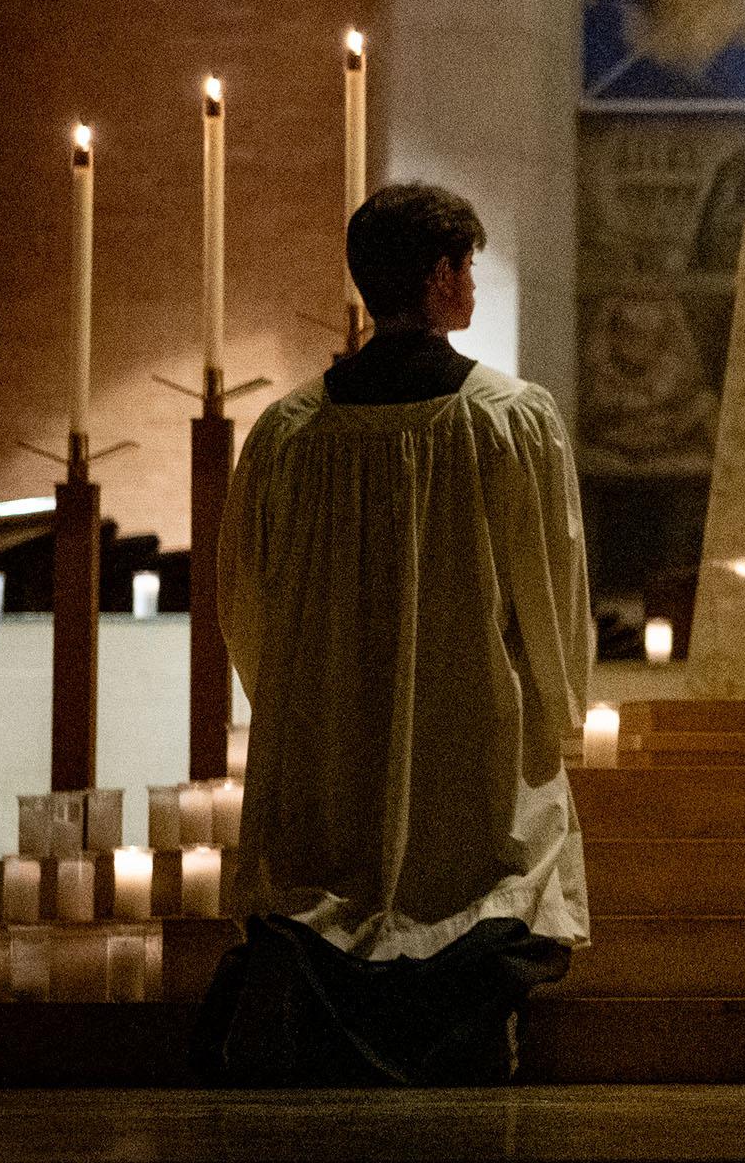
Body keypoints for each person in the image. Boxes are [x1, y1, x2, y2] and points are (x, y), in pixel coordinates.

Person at [202, 184, 591, 1085]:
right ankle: (467, 1015)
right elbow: (552, 578)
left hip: (326, 727)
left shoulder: (290, 432)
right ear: (441, 278)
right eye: (467, 268)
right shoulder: (510, 418)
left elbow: (244, 594)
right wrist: (557, 705)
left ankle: (308, 995)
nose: (473, 287)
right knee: (491, 869)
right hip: (471, 719)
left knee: (325, 890)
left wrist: (293, 701)